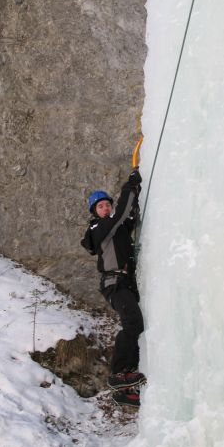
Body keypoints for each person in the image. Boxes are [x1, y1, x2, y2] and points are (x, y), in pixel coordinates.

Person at [81, 169, 146, 407]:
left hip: (125, 282)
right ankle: (119, 373)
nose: (106, 208)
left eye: (107, 205)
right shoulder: (98, 229)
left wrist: (136, 199)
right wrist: (131, 185)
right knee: (132, 323)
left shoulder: (115, 229)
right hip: (114, 283)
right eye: (100, 207)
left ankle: (127, 386)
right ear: (94, 213)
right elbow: (121, 214)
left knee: (138, 326)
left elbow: (128, 218)